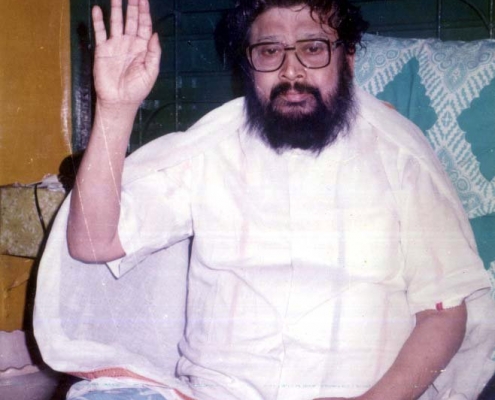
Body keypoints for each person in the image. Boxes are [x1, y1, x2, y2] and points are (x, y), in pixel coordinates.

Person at [37, 0, 495, 399]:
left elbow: (444, 313)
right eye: (270, 51)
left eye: (313, 48)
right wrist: (116, 109)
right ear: (248, 64)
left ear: (348, 59)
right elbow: (94, 243)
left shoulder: (399, 154)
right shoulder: (212, 145)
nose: (291, 71)